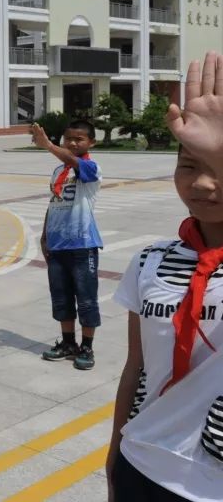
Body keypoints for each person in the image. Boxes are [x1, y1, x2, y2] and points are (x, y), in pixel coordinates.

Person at [107, 51, 223, 502]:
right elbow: (136, 369)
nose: (202, 184)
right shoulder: (150, 261)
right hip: (143, 463)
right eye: (188, 165)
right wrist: (116, 453)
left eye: (217, 167)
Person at [31, 119, 103, 370]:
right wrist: (44, 235)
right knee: (61, 298)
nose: (72, 143)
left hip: (82, 244)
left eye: (79, 139)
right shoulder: (58, 171)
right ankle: (68, 342)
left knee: (86, 299)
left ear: (91, 142)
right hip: (57, 244)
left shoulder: (90, 167)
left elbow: (75, 162)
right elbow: (54, 202)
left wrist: (48, 145)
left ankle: (87, 347)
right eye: (68, 138)